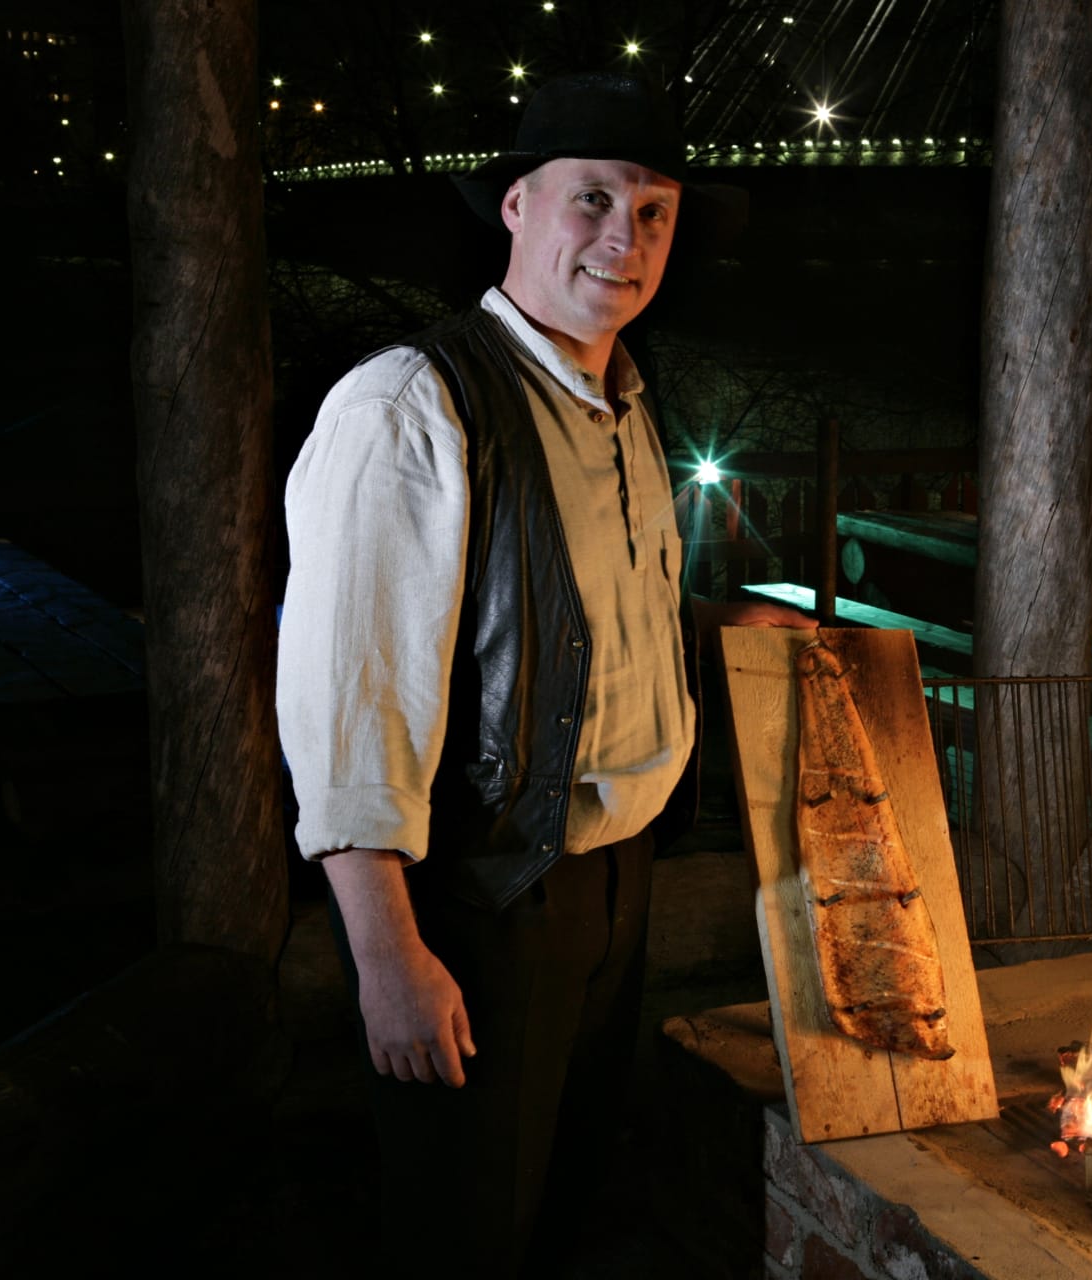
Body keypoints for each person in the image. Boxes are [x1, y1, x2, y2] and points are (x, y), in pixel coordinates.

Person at [276, 71, 813, 1274]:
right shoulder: (412, 403)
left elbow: (586, 610)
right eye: (594, 200)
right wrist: (389, 957)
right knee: (464, 1231)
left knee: (565, 1210)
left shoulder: (624, 399)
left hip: (618, 882)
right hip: (485, 900)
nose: (625, 237)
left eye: (656, 211)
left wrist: (721, 622)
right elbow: (345, 698)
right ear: (515, 208)